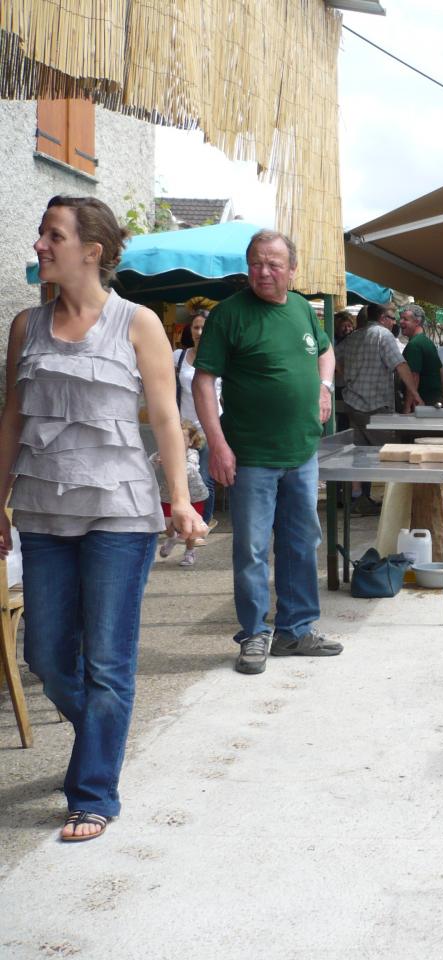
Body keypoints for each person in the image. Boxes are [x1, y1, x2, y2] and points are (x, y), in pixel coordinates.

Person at [0, 195, 205, 841]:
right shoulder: (24, 326)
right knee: (47, 653)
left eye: (52, 234)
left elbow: (167, 418)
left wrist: (178, 498)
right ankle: (104, 742)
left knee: (108, 662)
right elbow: (13, 417)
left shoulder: (138, 323)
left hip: (120, 510)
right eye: (41, 233)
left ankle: (93, 790)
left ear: (92, 250)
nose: (39, 244)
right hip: (42, 506)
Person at [193, 229, 343, 676]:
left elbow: (326, 350)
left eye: (274, 264)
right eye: (257, 262)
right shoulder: (228, 316)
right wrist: (218, 445)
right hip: (251, 455)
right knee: (253, 549)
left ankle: (295, 630)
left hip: (301, 451)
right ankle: (254, 633)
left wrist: (324, 386)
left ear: (292, 270)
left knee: (301, 544)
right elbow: (204, 383)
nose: (264, 271)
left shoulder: (299, 307)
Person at [334, 302, 422, 514]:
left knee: (358, 456)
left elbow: (333, 358)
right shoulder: (384, 335)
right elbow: (399, 365)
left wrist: (346, 376)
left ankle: (358, 499)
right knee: (392, 457)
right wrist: (415, 393)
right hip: (376, 408)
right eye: (392, 318)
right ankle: (396, 508)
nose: (395, 322)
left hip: (353, 404)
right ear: (382, 318)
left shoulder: (353, 336)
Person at [175, 309, 218, 522]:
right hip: (185, 428)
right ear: (190, 330)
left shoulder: (221, 356)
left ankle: (204, 522)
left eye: (204, 327)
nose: (200, 332)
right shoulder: (178, 356)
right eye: (196, 327)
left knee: (204, 478)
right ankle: (187, 521)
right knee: (183, 476)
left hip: (212, 425)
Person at [154, 421, 211, 566]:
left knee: (190, 528)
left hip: (194, 495)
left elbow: (192, 469)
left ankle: (189, 552)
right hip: (168, 495)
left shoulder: (192, 453)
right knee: (165, 524)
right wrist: (156, 460)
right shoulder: (164, 451)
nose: (178, 442)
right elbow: (151, 462)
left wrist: (171, 463)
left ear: (191, 441)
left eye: (183, 438)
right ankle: (172, 537)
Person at [399, 303, 443, 410]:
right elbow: (442, 371)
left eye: (405, 319)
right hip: (434, 402)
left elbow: (414, 376)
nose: (400, 322)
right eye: (401, 318)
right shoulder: (428, 342)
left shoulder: (414, 345)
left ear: (417, 322)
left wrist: (407, 407)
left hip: (420, 404)